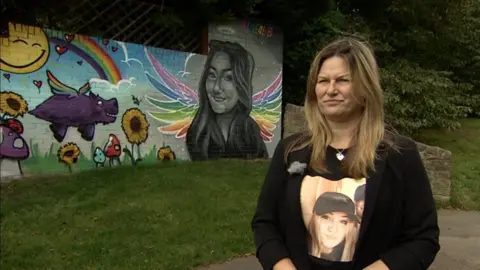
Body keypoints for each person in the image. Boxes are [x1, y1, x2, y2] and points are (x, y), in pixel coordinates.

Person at [251, 36, 440, 270]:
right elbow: (265, 224)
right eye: (323, 81)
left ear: (365, 87)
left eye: (342, 80)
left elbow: (423, 238)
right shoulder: (291, 150)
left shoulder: (399, 154)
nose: (331, 90)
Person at [186, 39, 268, 160]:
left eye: (228, 78)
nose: (216, 87)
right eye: (212, 75)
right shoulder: (199, 132)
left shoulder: (249, 129)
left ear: (242, 84)